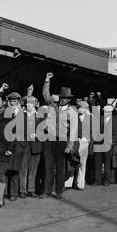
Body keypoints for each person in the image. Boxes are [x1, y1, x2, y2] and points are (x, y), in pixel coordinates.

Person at [41, 72, 78, 200]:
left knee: (60, 166)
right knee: (48, 166)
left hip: (61, 140)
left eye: (66, 98)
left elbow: (73, 130)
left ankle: (59, 191)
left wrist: (70, 145)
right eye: (62, 97)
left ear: (69, 99)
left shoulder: (72, 112)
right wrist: (47, 80)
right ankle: (46, 190)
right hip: (49, 138)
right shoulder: (52, 104)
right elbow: (45, 93)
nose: (63, 99)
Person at [18, 95, 42, 198]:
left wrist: (37, 134)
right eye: (27, 103)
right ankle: (22, 190)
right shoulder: (21, 115)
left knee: (33, 168)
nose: (29, 105)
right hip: (24, 144)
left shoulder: (40, 116)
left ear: (35, 104)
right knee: (23, 168)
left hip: (36, 144)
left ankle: (31, 189)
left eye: (31, 103)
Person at [5, 92, 26, 201]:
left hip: (18, 145)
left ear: (18, 102)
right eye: (11, 101)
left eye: (15, 101)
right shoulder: (5, 113)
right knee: (5, 168)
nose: (12, 103)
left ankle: (13, 193)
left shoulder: (23, 114)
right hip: (6, 144)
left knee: (14, 169)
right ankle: (4, 192)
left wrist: (22, 144)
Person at [93, 105, 117, 186]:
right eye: (105, 112)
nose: (106, 113)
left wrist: (111, 141)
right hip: (99, 143)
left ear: (110, 112)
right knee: (97, 162)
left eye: (107, 112)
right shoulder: (100, 119)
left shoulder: (115, 120)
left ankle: (107, 180)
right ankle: (97, 180)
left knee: (107, 163)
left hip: (108, 144)